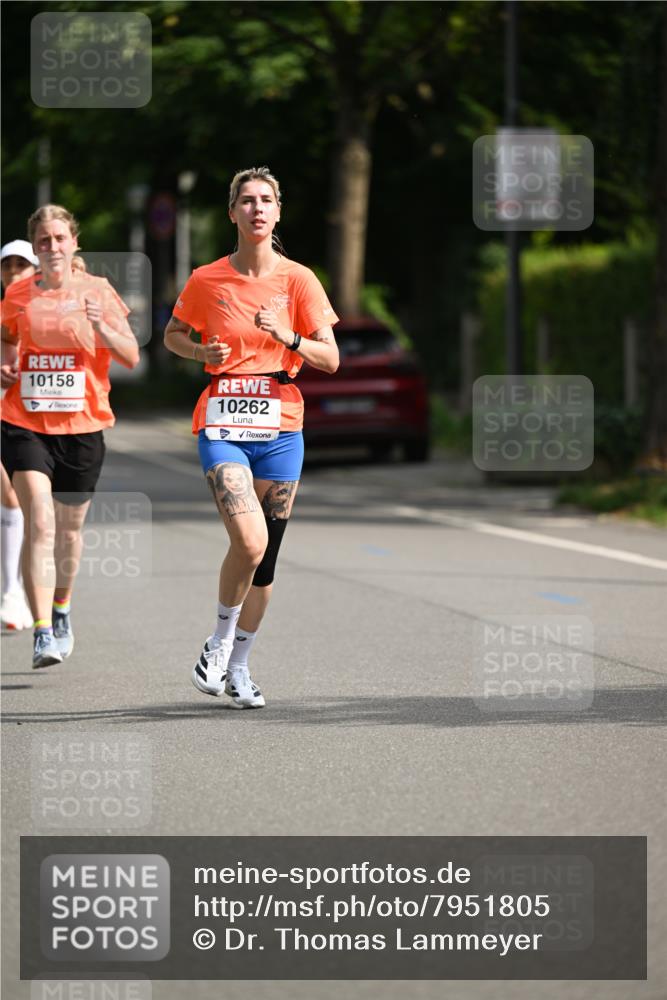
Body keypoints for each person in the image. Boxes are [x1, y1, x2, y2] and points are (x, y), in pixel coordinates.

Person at [164, 166, 339, 708]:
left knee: (265, 562)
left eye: (266, 200)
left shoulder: (299, 280)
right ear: (232, 212)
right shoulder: (206, 279)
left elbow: (330, 358)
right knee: (249, 539)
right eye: (247, 200)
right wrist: (201, 353)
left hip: (282, 427)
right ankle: (217, 644)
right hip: (222, 420)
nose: (257, 208)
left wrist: (286, 334)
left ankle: (239, 667)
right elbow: (172, 335)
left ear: (278, 211)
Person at [0, 205, 139, 667]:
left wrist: (100, 324)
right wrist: (6, 364)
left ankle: (61, 608)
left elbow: (130, 356)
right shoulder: (19, 293)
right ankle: (42, 631)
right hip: (25, 422)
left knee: (69, 530)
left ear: (74, 243)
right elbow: (5, 336)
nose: (52, 246)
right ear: (35, 247)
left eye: (60, 238)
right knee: (39, 518)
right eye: (43, 240)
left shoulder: (98, 291)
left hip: (83, 428)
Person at [1, 240, 39, 631]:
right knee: (10, 495)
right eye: (7, 265)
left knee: (22, 500)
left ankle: (16, 589)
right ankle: (11, 590)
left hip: (30, 420)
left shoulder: (44, 312)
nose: (13, 271)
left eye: (21, 264)